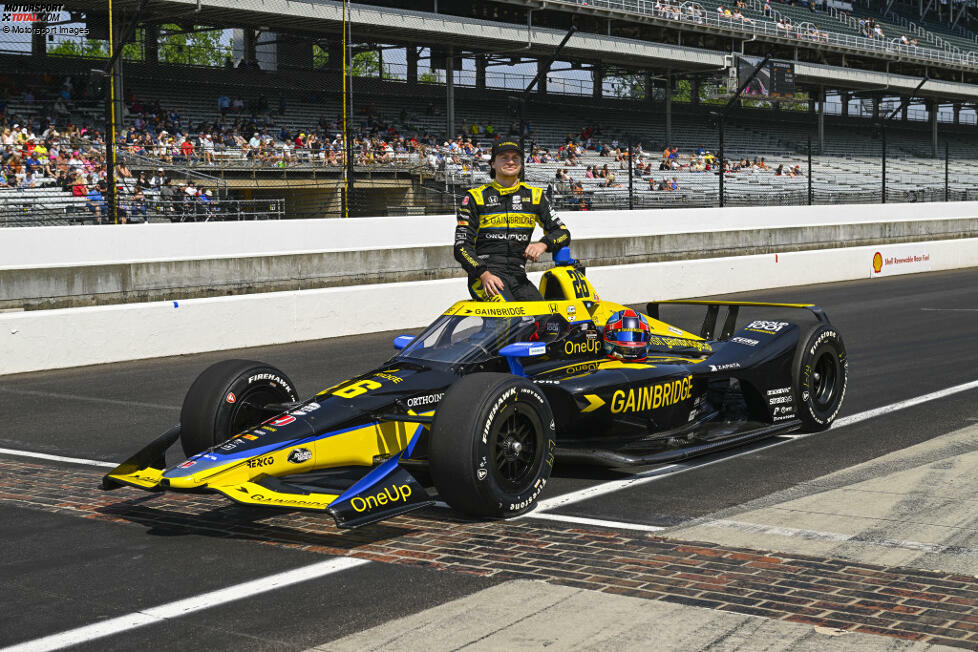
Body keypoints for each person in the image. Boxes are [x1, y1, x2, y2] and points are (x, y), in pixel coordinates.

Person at [454, 141, 570, 301]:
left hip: (519, 277)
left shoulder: (535, 196)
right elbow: (461, 247)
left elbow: (563, 233)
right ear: (493, 163)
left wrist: (543, 244)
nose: (510, 161)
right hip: (485, 277)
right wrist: (483, 274)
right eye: (504, 157)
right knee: (510, 318)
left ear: (521, 165)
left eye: (515, 158)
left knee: (545, 320)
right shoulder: (475, 197)